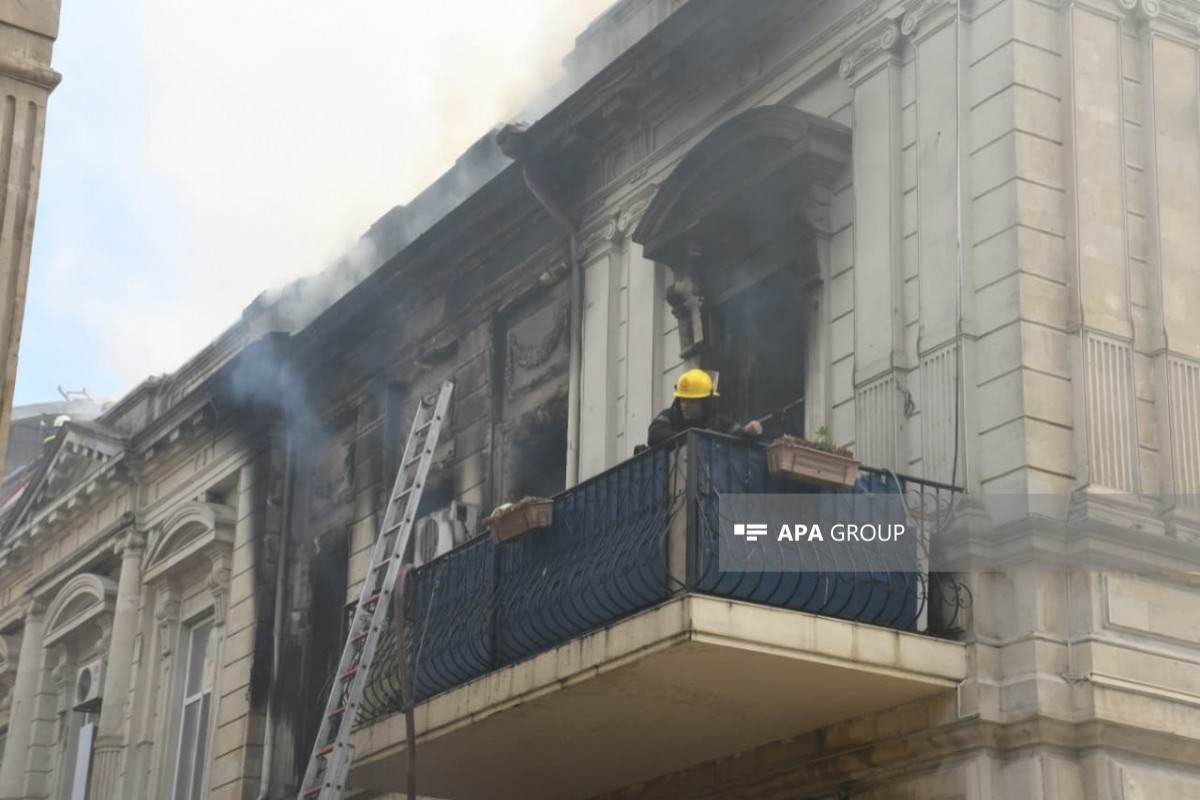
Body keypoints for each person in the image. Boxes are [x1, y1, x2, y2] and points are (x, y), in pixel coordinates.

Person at [646, 368, 763, 448]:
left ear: (704, 402)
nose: (685, 405)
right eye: (683, 400)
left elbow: (738, 433)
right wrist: (691, 438)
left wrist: (750, 430)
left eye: (692, 401)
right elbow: (654, 434)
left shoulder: (717, 422)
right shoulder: (670, 416)